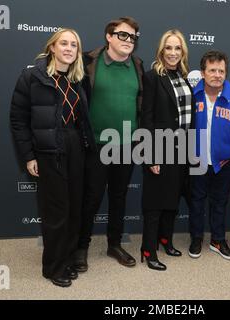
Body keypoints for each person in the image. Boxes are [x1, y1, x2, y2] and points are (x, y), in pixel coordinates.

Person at [10, 28, 95, 287]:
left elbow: (82, 120)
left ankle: (68, 260)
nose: (69, 49)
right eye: (64, 44)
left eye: (74, 45)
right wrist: (28, 156)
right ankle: (53, 267)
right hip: (48, 152)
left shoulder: (77, 80)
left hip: (75, 150)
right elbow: (18, 120)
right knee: (55, 213)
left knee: (73, 209)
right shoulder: (31, 78)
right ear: (52, 48)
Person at [74, 17, 143, 271]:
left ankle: (114, 244)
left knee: (119, 196)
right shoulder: (88, 62)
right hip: (97, 145)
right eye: (123, 35)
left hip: (126, 145)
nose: (129, 41)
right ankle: (81, 247)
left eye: (133, 37)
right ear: (109, 36)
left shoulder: (137, 65)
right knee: (91, 198)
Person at [188, 51, 230, 261]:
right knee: (196, 202)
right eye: (212, 70)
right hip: (197, 160)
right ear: (203, 73)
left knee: (220, 202)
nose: (217, 75)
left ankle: (218, 239)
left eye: (221, 71)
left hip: (225, 162)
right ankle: (196, 238)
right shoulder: (191, 94)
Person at [140, 30, 194, 271]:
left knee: (172, 199)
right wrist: (150, 154)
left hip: (181, 149)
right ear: (161, 51)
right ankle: (148, 249)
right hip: (159, 147)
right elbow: (146, 117)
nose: (173, 53)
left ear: (183, 52)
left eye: (178, 48)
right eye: (169, 48)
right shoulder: (152, 77)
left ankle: (166, 240)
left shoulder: (183, 78)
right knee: (154, 203)